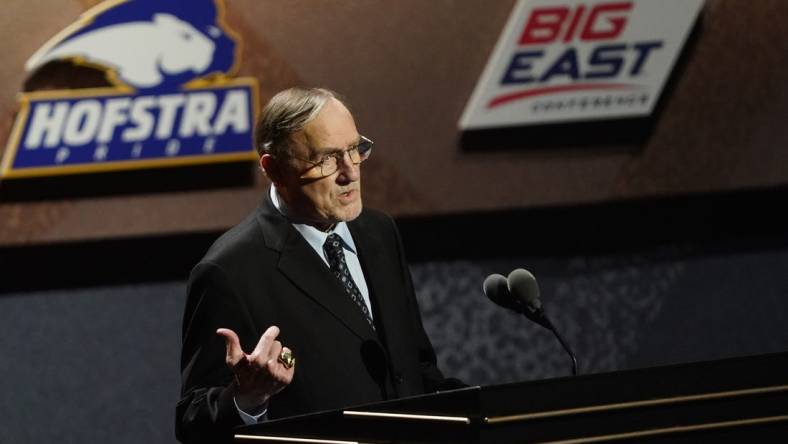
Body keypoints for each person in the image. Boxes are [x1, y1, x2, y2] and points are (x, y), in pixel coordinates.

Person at [176, 87, 461, 444]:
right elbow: (192, 422)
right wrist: (248, 396)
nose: (350, 172)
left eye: (355, 149)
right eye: (326, 159)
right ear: (274, 169)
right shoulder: (229, 270)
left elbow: (415, 367)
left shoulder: (379, 232)